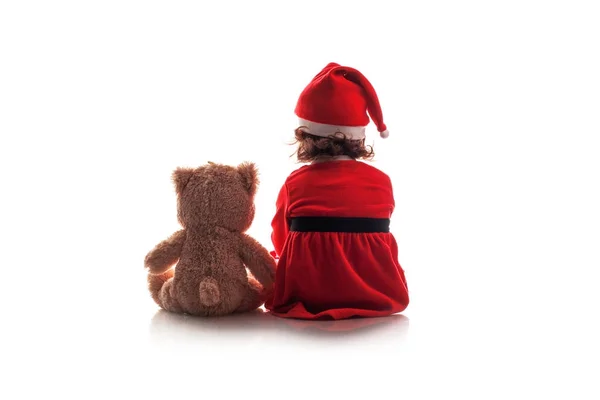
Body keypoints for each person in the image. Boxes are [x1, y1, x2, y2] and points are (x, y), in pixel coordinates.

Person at [264, 62, 410, 320]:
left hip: (309, 293)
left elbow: (281, 237)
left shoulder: (295, 183)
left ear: (304, 136)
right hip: (378, 291)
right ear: (359, 139)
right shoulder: (382, 181)